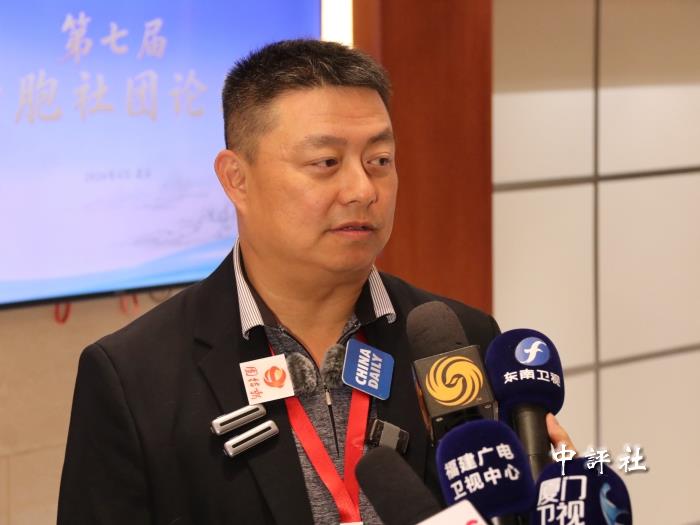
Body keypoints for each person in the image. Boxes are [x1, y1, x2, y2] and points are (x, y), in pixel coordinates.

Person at [58, 39, 574, 525]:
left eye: (380, 161)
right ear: (237, 178)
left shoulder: (462, 339)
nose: (362, 189)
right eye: (326, 162)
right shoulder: (133, 377)